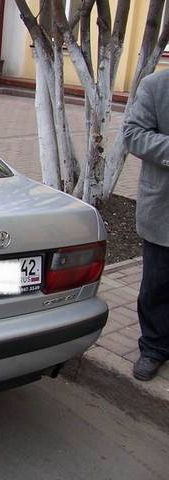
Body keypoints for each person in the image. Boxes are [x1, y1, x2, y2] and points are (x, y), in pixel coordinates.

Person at [123, 69, 169, 382]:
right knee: (157, 285)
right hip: (164, 209)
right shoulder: (156, 86)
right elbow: (133, 134)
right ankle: (154, 347)